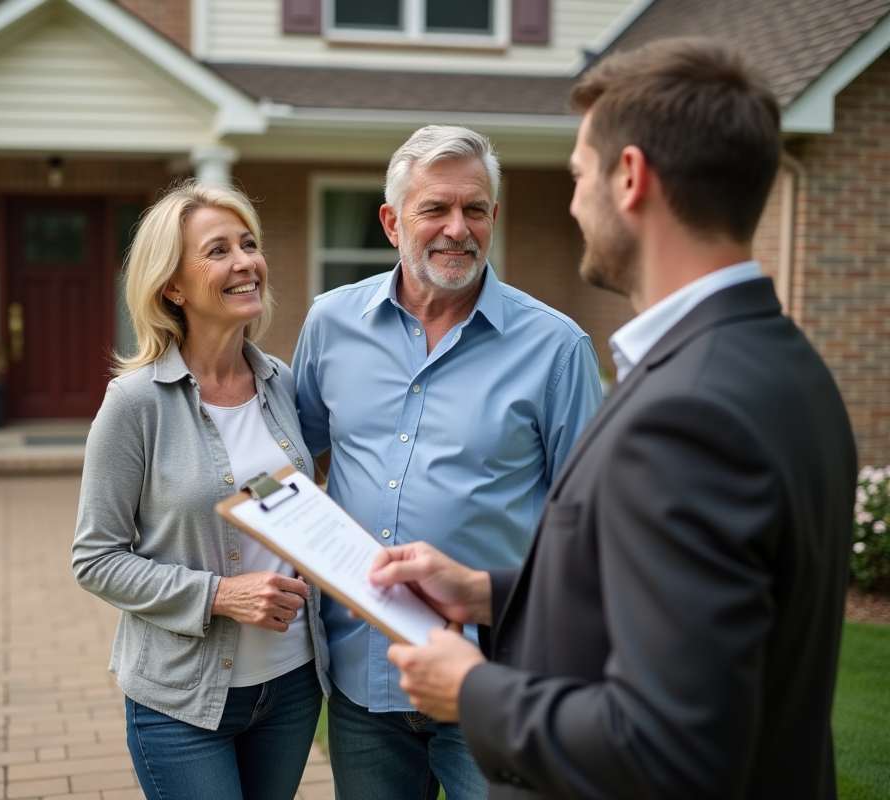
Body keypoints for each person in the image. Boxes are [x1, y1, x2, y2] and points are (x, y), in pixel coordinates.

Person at [372, 37, 858, 799]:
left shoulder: (689, 411)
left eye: (577, 175)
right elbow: (669, 604)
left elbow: (673, 744)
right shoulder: (780, 361)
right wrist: (488, 592)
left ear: (629, 177)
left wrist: (474, 690)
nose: (572, 202)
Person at [291, 125, 603, 800]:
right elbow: (295, 458)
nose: (457, 229)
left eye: (476, 209)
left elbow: (593, 531)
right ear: (392, 220)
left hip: (493, 682)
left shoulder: (557, 349)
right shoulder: (329, 324)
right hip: (360, 675)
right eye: (435, 208)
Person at [71, 181, 330, 800]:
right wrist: (219, 594)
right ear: (173, 286)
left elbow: (288, 498)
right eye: (218, 251)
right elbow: (94, 559)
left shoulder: (280, 383)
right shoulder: (134, 404)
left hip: (293, 685)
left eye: (249, 244)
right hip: (181, 702)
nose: (245, 262)